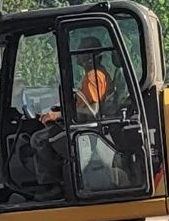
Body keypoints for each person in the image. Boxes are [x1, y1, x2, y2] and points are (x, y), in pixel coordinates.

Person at [30, 35, 113, 194]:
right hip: (81, 124)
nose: (77, 55)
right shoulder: (97, 74)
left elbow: (93, 111)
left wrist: (58, 116)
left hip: (85, 129)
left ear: (89, 55)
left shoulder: (93, 77)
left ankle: (55, 187)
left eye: (81, 51)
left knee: (39, 140)